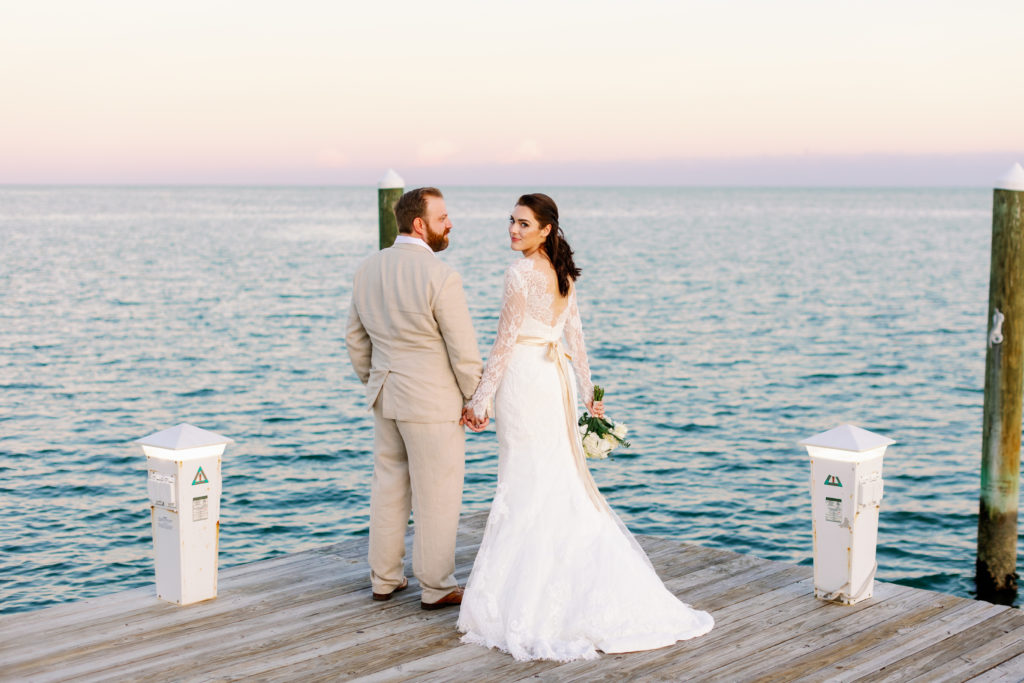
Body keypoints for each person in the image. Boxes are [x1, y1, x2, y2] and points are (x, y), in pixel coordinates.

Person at [457, 193, 714, 661]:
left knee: (525, 481)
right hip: (554, 383)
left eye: (523, 223)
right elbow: (576, 339)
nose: (513, 230)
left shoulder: (518, 275)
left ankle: (529, 599)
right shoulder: (564, 275)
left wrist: (479, 399)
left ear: (546, 230)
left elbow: (502, 344)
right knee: (556, 479)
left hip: (525, 380)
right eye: (511, 222)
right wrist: (590, 394)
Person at [346, 187, 488, 610]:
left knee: (388, 487)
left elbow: (355, 340)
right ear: (419, 224)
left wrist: (374, 381)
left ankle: (385, 579)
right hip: (431, 402)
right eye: (443, 217)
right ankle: (437, 586)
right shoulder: (441, 276)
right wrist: (476, 401)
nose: (450, 223)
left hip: (386, 395)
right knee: (438, 494)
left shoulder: (367, 269)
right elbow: (463, 352)